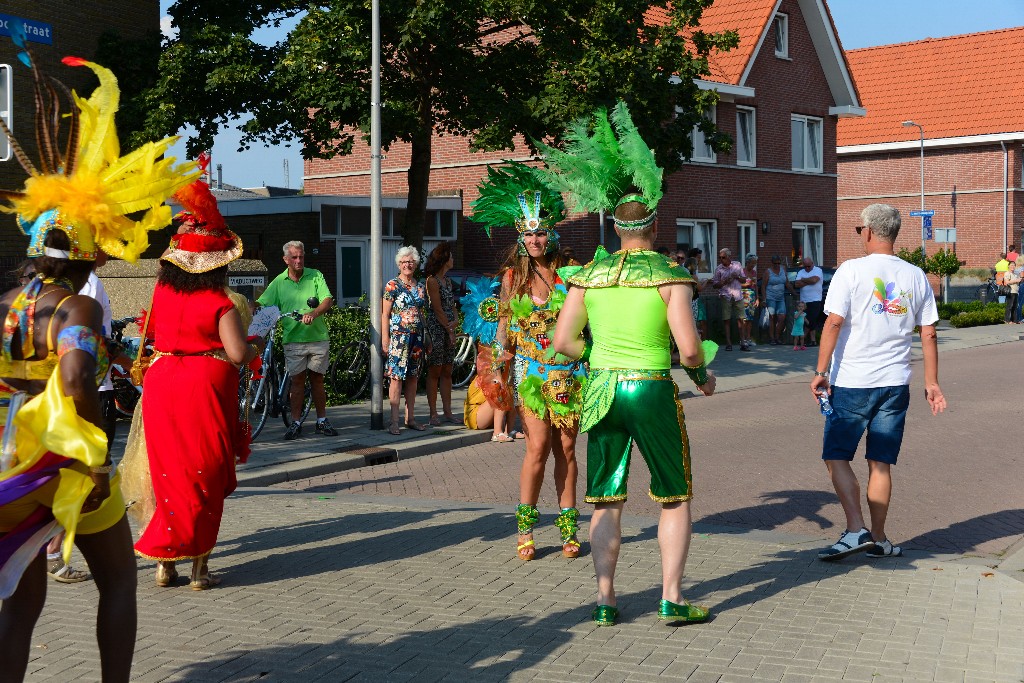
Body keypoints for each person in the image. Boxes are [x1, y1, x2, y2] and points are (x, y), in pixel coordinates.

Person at [0, 53, 198, 682]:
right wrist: (91, 457)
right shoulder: (77, 303)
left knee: (24, 601)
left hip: (10, 465)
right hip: (64, 466)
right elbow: (80, 377)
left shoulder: (6, 304)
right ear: (89, 252)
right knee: (118, 582)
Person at [545, 101, 716, 626]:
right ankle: (671, 596)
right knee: (673, 495)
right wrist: (703, 377)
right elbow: (689, 349)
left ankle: (604, 600)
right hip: (651, 389)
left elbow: (561, 340)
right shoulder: (670, 274)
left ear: (615, 227)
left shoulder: (588, 276)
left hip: (603, 391)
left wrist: (598, 355)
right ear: (655, 222)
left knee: (605, 499)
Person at [134, 177, 259, 591]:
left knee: (169, 474)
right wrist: (254, 347)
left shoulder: (161, 296)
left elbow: (151, 338)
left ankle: (164, 564)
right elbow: (238, 354)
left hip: (163, 380)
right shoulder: (220, 303)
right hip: (204, 385)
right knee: (203, 476)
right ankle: (199, 569)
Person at [812, 204, 946, 561]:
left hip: (853, 382)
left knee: (836, 455)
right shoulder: (916, 275)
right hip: (895, 383)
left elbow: (834, 323)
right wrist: (931, 382)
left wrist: (821, 370)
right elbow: (929, 334)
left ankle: (856, 529)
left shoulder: (851, 270)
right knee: (880, 463)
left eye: (859, 230)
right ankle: (881, 539)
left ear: (869, 231)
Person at [470, 162, 585, 561]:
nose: (535, 239)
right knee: (537, 447)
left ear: (549, 234)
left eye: (540, 232)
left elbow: (586, 323)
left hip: (568, 374)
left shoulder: (568, 276)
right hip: (531, 373)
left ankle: (569, 526)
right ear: (520, 238)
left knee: (567, 450)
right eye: (528, 233)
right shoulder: (510, 280)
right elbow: (503, 327)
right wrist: (499, 360)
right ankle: (525, 527)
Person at [257, 241, 337, 440]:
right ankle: (295, 422)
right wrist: (249, 307)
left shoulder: (316, 275)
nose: (299, 260)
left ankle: (321, 420)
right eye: (294, 257)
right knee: (297, 381)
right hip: (293, 339)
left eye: (301, 256)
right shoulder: (279, 282)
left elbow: (327, 300)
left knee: (317, 380)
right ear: (286, 260)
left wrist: (314, 313)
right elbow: (262, 302)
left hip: (317, 337)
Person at [382, 246, 429, 435]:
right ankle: (394, 421)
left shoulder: (419, 285)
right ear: (398, 264)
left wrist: (428, 338)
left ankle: (410, 419)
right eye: (403, 262)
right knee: (396, 378)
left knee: (412, 377)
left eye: (410, 262)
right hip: (399, 338)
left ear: (416, 264)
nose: (407, 265)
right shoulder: (392, 285)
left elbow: (421, 313)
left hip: (416, 338)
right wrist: (385, 338)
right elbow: (384, 314)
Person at [423, 242, 458, 425]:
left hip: (449, 327)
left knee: (447, 370)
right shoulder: (432, 281)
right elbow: (437, 309)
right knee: (435, 370)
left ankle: (448, 412)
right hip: (437, 329)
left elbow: (451, 304)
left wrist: (457, 319)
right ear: (444, 259)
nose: (453, 259)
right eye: (451, 256)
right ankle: (433, 413)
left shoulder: (448, 281)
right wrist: (449, 330)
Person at [710, 248, 745, 351]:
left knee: (741, 319)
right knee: (727, 320)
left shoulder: (737, 265)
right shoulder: (719, 269)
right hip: (726, 295)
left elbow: (744, 279)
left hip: (738, 295)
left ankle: (743, 342)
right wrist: (723, 282)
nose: (721, 259)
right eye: (720, 257)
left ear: (729, 257)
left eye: (723, 257)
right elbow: (714, 285)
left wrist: (737, 276)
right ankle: (728, 343)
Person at [761, 255, 793, 345]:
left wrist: (794, 292)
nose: (777, 265)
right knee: (771, 317)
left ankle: (777, 336)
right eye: (775, 263)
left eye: (779, 263)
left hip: (780, 298)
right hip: (770, 297)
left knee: (782, 317)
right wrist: (764, 299)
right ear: (772, 263)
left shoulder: (783, 269)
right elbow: (763, 286)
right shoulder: (768, 272)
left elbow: (787, 282)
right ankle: (772, 338)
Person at [793, 256, 825, 346]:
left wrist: (803, 279)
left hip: (815, 299)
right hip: (804, 301)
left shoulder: (818, 270)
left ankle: (802, 338)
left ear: (812, 264)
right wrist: (809, 281)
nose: (807, 268)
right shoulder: (800, 272)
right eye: (805, 266)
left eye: (808, 266)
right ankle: (813, 340)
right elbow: (797, 284)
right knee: (807, 319)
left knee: (811, 319)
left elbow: (814, 280)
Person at [683, 258, 709, 340]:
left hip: (686, 300)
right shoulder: (694, 276)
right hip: (694, 300)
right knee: (694, 322)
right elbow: (700, 288)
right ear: (692, 265)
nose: (697, 266)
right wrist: (706, 281)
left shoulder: (683, 274)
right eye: (696, 264)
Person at [739, 254, 759, 348]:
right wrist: (747, 284)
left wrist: (757, 298)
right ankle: (742, 339)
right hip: (743, 295)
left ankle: (748, 338)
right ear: (748, 262)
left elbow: (756, 286)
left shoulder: (754, 272)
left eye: (755, 263)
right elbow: (738, 285)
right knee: (744, 319)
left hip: (751, 296)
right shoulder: (742, 271)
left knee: (750, 319)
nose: (753, 265)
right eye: (752, 263)